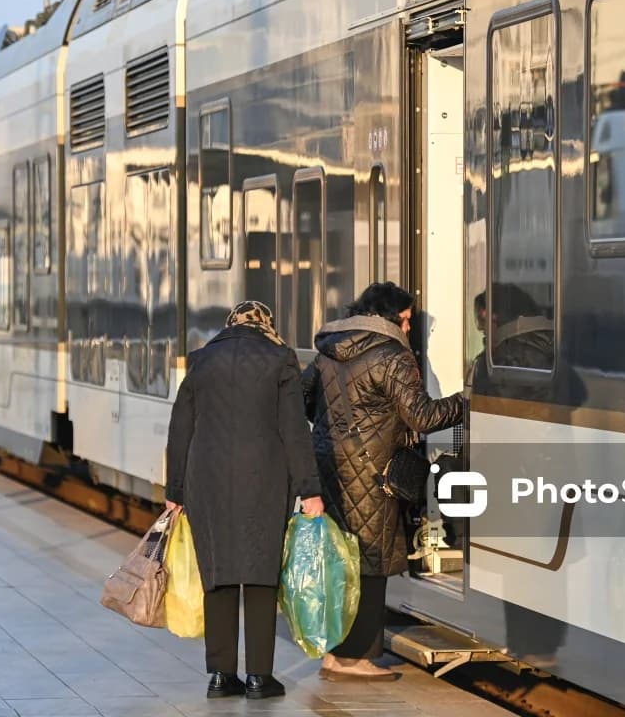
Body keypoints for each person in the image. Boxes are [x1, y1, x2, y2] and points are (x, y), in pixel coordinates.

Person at [302, 282, 466, 680]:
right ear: (389, 316)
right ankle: (354, 658)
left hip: (329, 468)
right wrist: (469, 399)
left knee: (342, 562)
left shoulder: (327, 352)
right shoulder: (392, 355)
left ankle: (333, 652)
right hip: (373, 474)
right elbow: (423, 417)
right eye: (407, 320)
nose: (410, 329)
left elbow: (305, 402)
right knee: (370, 566)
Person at [164, 301, 324, 700]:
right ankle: (258, 677)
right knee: (259, 573)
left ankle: (220, 676)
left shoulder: (202, 360)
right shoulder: (280, 359)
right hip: (263, 479)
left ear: (230, 325)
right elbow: (293, 429)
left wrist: (175, 491)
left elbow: (180, 427)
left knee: (216, 574)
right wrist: (310, 489)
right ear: (266, 326)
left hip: (208, 479)